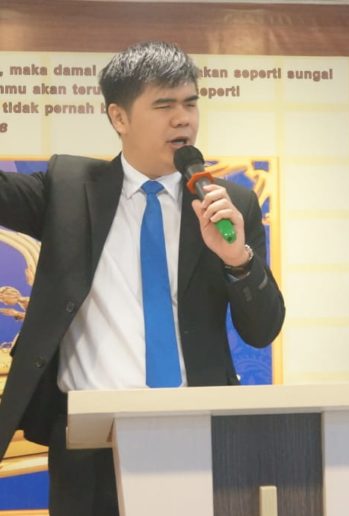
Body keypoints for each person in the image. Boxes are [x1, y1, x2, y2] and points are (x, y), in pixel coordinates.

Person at [0, 41, 285, 515]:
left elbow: (262, 330)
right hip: (87, 443)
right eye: (164, 105)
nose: (183, 119)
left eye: (190, 103)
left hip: (198, 434)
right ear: (119, 117)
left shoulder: (228, 203)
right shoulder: (68, 189)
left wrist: (237, 259)